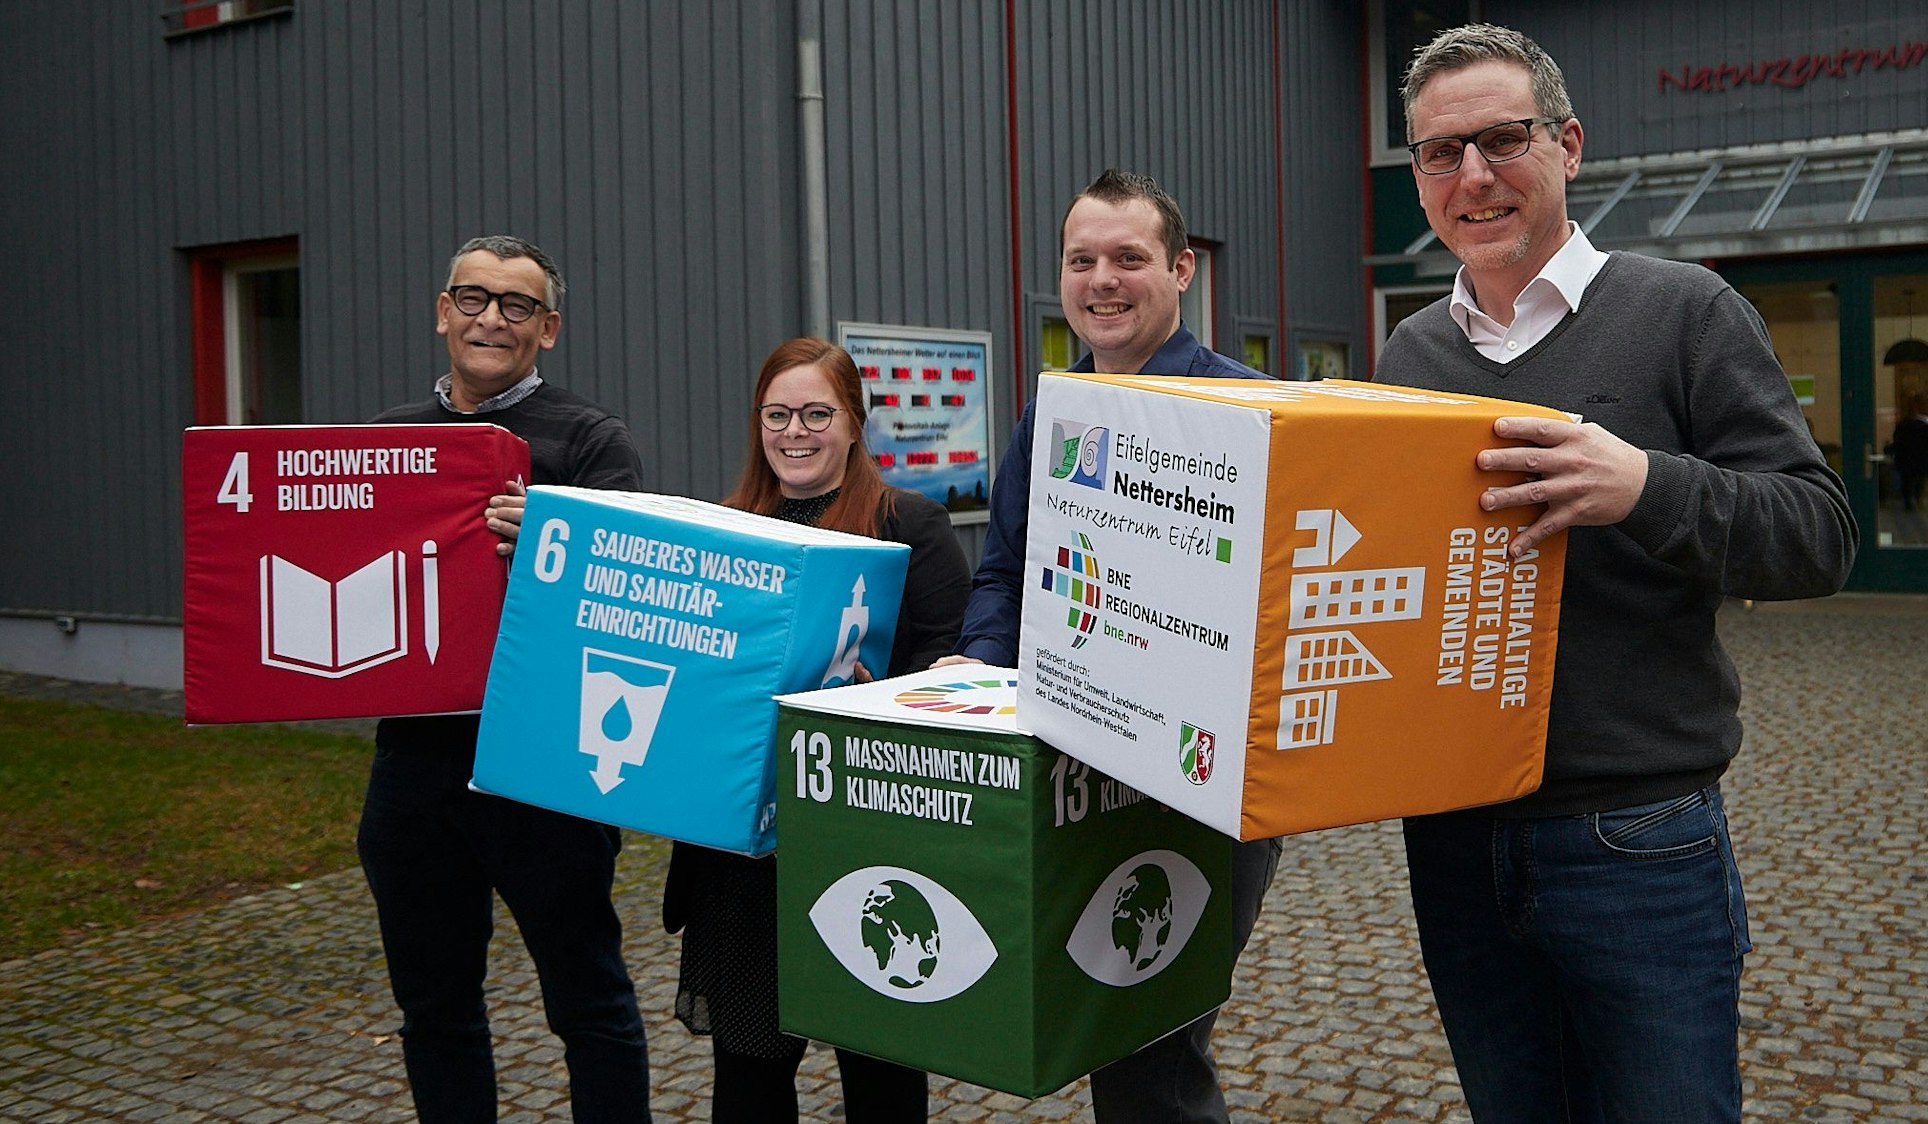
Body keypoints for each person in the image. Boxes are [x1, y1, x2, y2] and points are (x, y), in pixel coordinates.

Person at [1377, 25, 1857, 1123]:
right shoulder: (1409, 355)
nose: (1473, 176)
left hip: (1632, 833)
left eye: (1502, 140)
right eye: (1440, 152)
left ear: (1568, 145)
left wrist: (1643, 484)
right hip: (1452, 837)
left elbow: (1818, 536)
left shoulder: (1683, 311)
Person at [937, 168, 1283, 1124]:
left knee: (1154, 1040)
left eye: (1128, 257)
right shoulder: (1052, 412)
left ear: (1180, 269)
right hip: (1079, 769)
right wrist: (975, 660)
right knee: (1114, 1031)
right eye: (1081, 260)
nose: (1102, 279)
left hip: (1204, 784)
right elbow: (1005, 569)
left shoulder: (1253, 410)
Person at [356, 235, 653, 1123]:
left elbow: (634, 589)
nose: (492, 318)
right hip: (414, 765)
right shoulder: (382, 442)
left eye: (516, 305)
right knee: (434, 1010)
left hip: (547, 763)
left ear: (548, 328)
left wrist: (560, 544)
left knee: (588, 1002)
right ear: (442, 311)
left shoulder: (594, 439)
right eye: (473, 298)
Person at [660, 337, 970, 1122]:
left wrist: (888, 696)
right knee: (750, 1077)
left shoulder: (912, 525)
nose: (794, 432)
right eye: (777, 414)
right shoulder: (724, 528)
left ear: (854, 422)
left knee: (881, 1076)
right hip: (744, 858)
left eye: (816, 414)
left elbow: (956, 667)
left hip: (869, 844)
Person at [1888, 394, 1928, 511]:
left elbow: (1898, 442)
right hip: (1921, 458)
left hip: (1906, 459)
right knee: (1918, 481)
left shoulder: (1904, 424)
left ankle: (1909, 502)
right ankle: (1917, 499)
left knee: (1907, 482)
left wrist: (1890, 450)